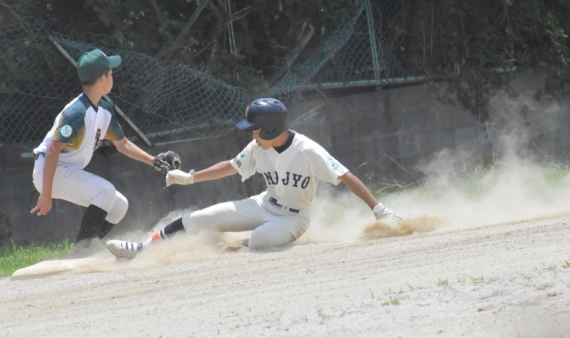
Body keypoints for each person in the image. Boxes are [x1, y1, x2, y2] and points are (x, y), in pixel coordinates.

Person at [106, 97, 401, 258]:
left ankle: (239, 245)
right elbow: (231, 166)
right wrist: (190, 178)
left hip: (294, 218)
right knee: (198, 218)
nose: (251, 134)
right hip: (263, 204)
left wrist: (379, 210)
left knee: (259, 240)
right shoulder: (259, 146)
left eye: (255, 129)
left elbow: (346, 176)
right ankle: (142, 249)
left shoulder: (307, 150)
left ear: (271, 129)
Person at [31, 49, 179, 246]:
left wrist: (153, 161)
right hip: (49, 171)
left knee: (119, 206)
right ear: (102, 78)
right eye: (110, 73)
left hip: (65, 170)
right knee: (105, 191)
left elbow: (122, 144)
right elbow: (52, 150)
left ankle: (90, 246)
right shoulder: (77, 112)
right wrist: (45, 193)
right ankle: (82, 249)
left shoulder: (104, 109)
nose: (112, 77)